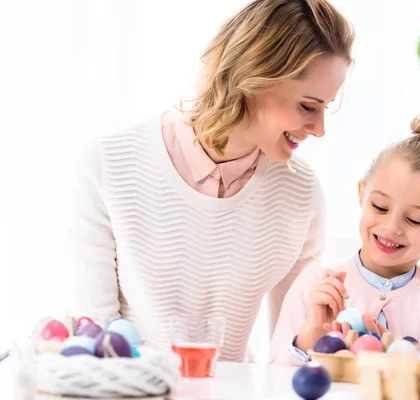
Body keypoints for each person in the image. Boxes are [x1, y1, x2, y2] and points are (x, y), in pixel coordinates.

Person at [67, 0, 354, 362]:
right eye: (308, 106)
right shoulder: (109, 164)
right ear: (254, 78)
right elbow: (94, 338)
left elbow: (288, 358)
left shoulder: (302, 194)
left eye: (325, 108)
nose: (320, 130)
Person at [269, 114, 420, 365]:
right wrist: (310, 336)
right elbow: (273, 380)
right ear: (362, 194)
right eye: (380, 207)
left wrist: (390, 357)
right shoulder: (317, 284)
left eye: (415, 220)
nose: (391, 227)